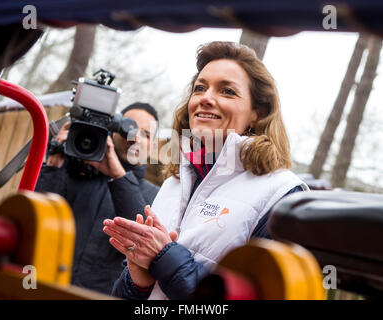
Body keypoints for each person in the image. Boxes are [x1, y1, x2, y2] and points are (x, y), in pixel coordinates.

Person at [103, 41, 309, 300]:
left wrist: (165, 259)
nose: (206, 98)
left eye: (227, 91)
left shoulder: (281, 194)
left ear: (258, 113)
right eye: (200, 88)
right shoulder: (175, 181)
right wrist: (138, 282)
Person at [35, 102, 160, 294]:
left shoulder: (156, 195)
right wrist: (54, 164)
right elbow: (36, 217)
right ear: (113, 132)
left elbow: (140, 237)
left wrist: (118, 174)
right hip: (46, 288)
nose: (134, 136)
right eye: (128, 126)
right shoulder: (73, 171)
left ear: (151, 147)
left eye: (146, 134)